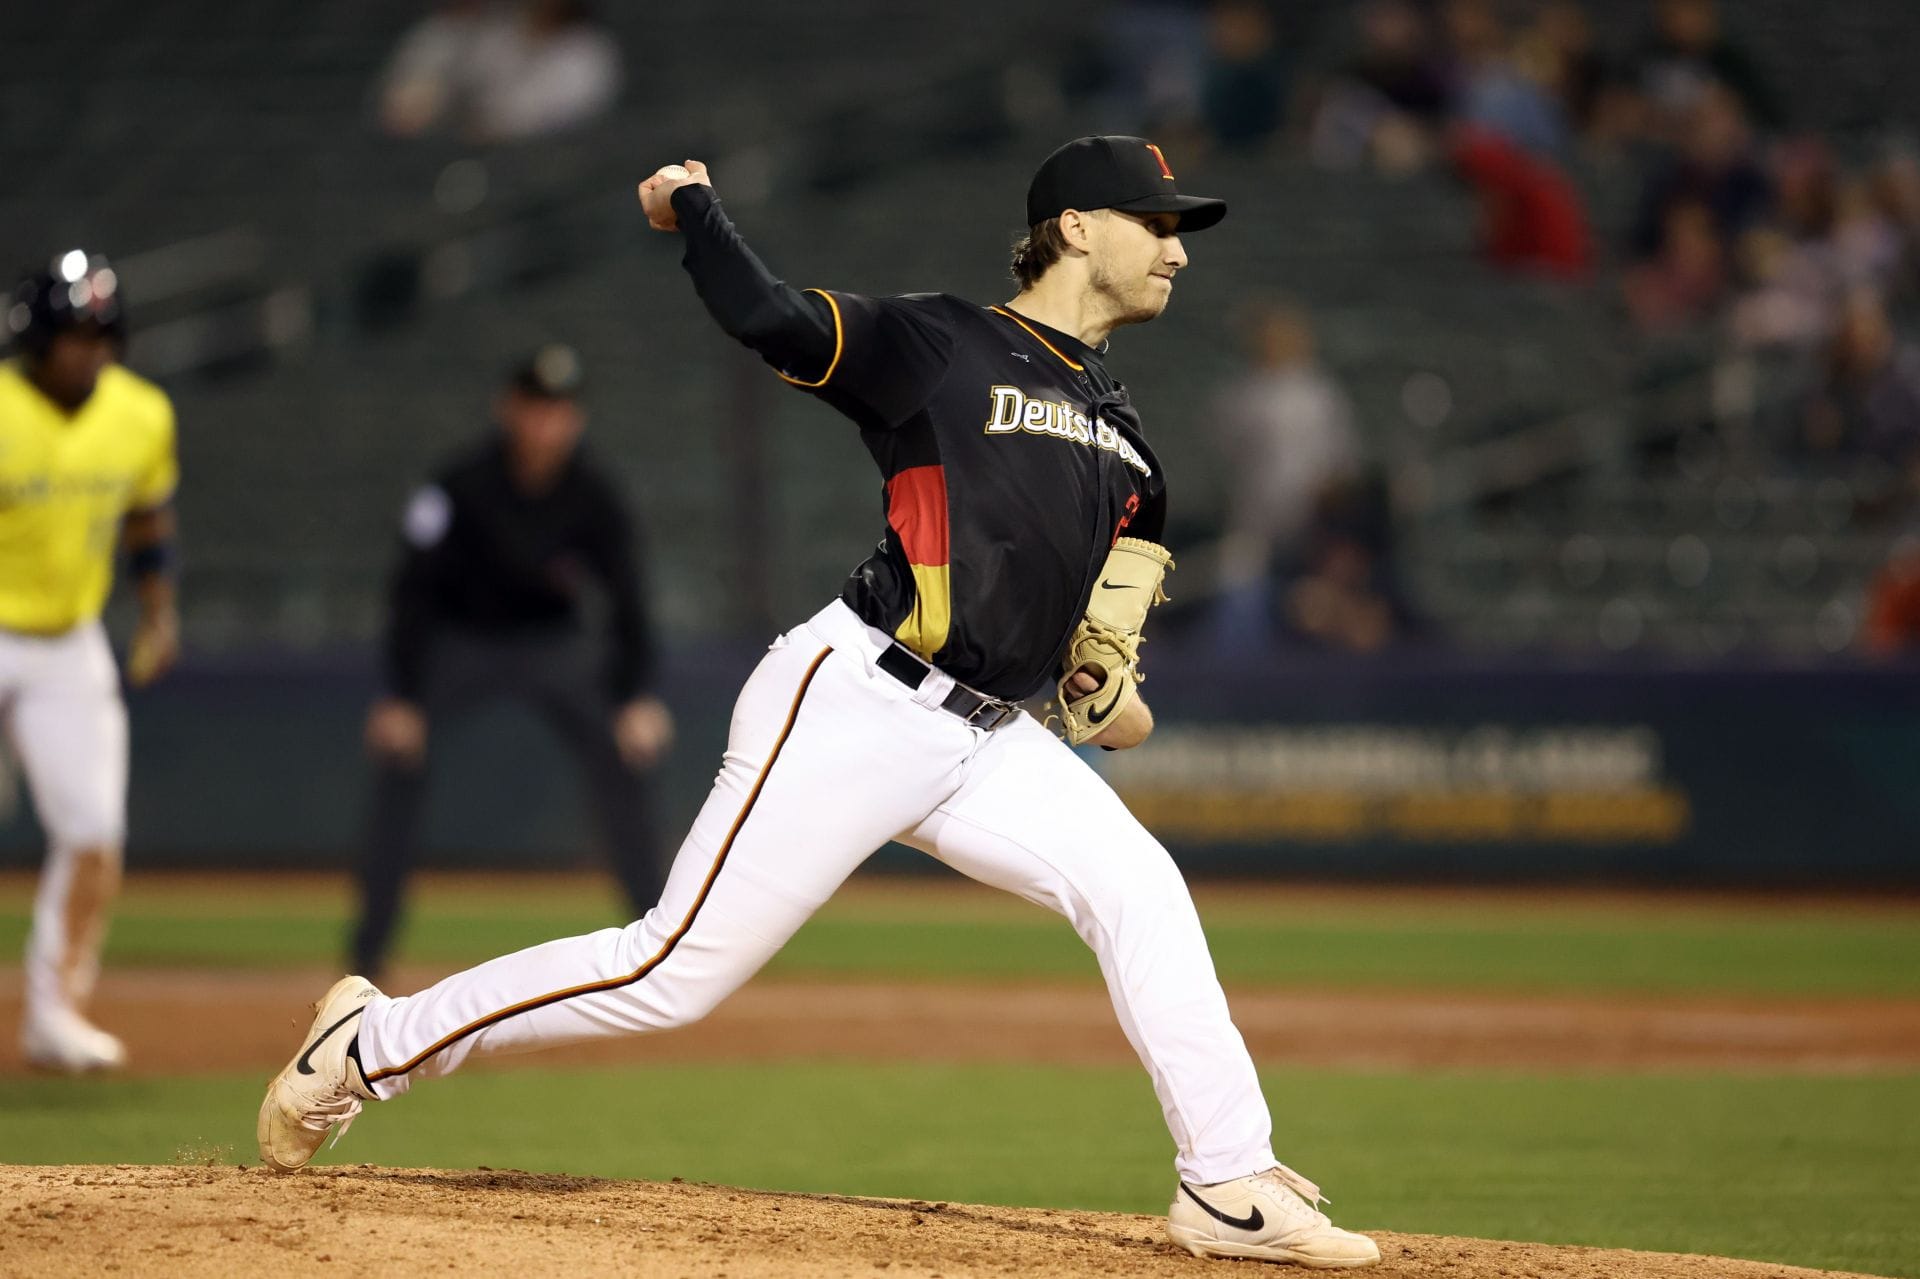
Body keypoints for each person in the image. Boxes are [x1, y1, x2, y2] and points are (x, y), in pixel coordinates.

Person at [260, 136, 1381, 1270]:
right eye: (1161, 223)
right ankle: (368, 1044)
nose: (1179, 254)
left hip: (990, 736)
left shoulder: (1132, 447)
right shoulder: (943, 342)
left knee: (1140, 882)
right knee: (667, 972)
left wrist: (1103, 684)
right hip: (857, 700)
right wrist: (694, 206)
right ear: (1079, 226)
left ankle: (1227, 1179)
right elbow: (770, 315)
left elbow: (1105, 657)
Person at [351, 344, 672, 981]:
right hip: (462, 641)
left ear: (575, 419)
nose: (547, 424)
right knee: (398, 755)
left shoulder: (594, 493)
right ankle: (367, 954)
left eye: (560, 410)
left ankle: (661, 945)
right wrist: (403, 695)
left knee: (623, 754)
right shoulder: (459, 483)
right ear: (510, 410)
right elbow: (411, 589)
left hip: (555, 647)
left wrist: (635, 695)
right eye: (536, 408)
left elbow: (629, 596)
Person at [1, 251, 180, 1072]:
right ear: (37, 335)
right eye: (73, 332)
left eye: (100, 333)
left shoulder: (140, 414)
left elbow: (147, 517)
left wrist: (157, 610)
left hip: (68, 642)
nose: (87, 349)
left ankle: (54, 1010)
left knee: (96, 832)